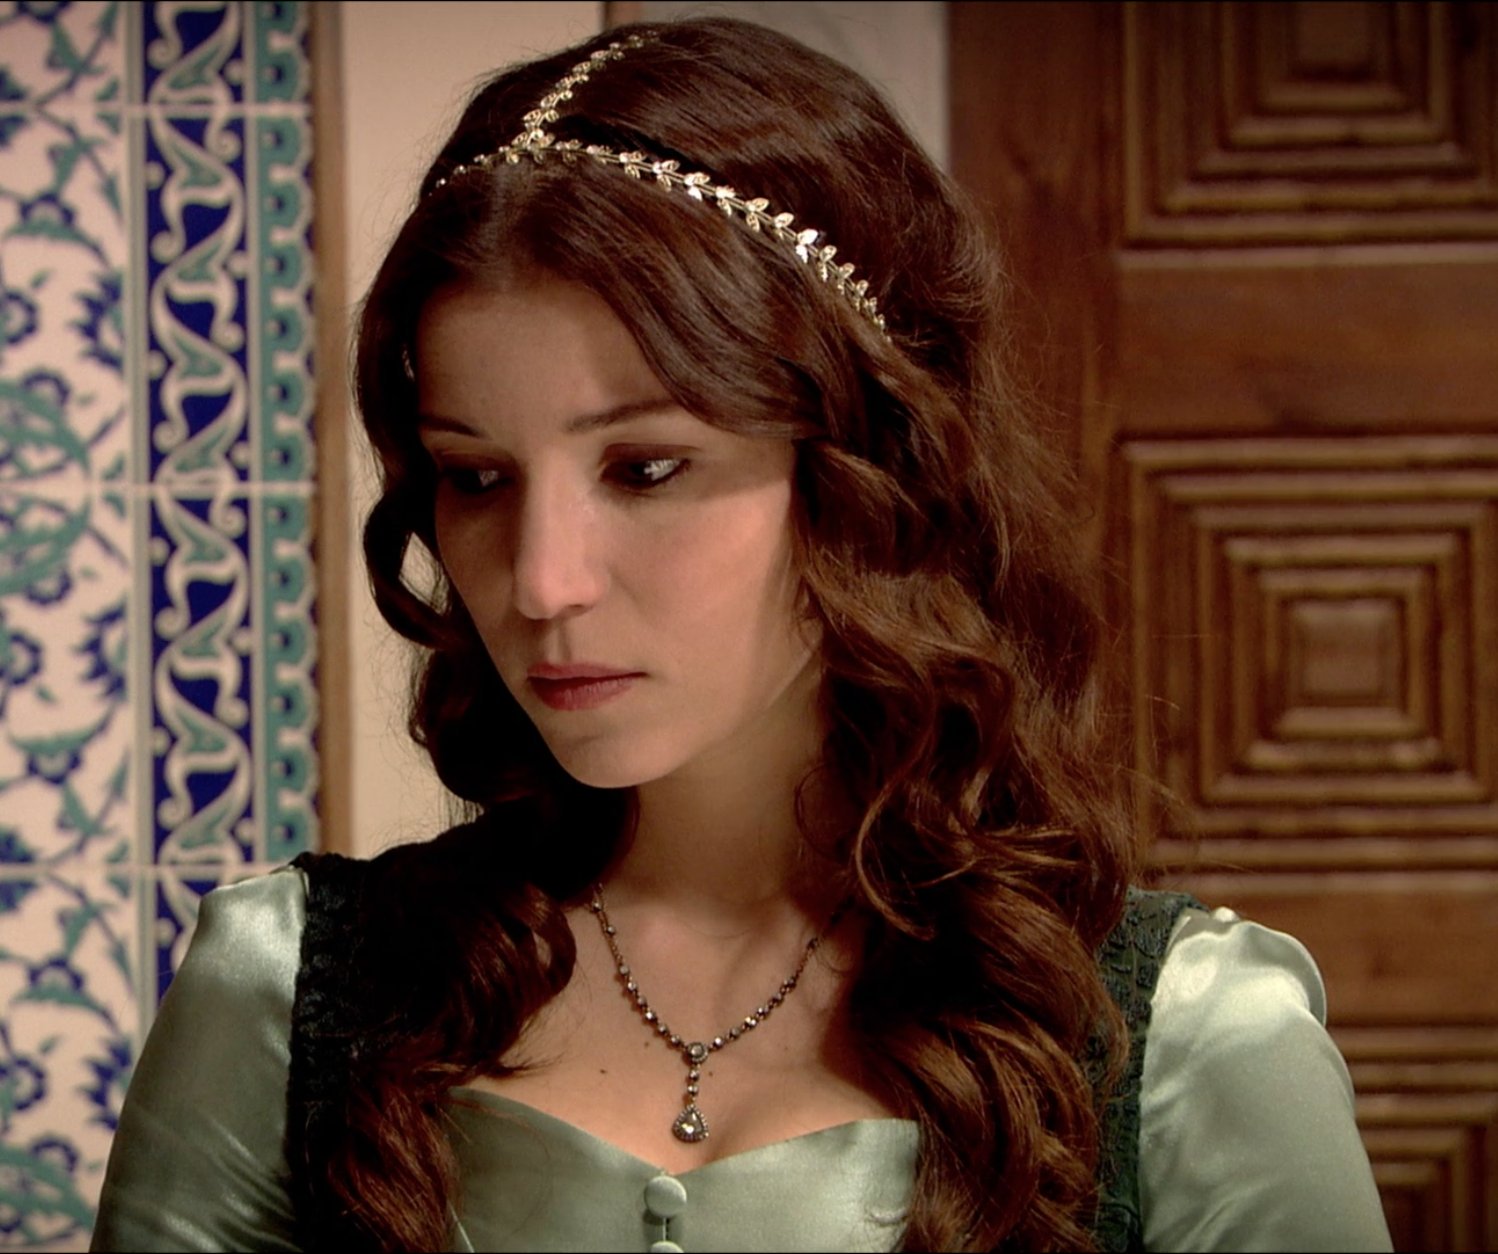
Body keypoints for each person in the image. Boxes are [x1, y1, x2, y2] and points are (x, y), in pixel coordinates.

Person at [92, 17, 1393, 1253]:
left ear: (871, 473)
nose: (541, 581)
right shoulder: (284, 995)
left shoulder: (1191, 1041)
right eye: (477, 477)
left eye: (646, 468)